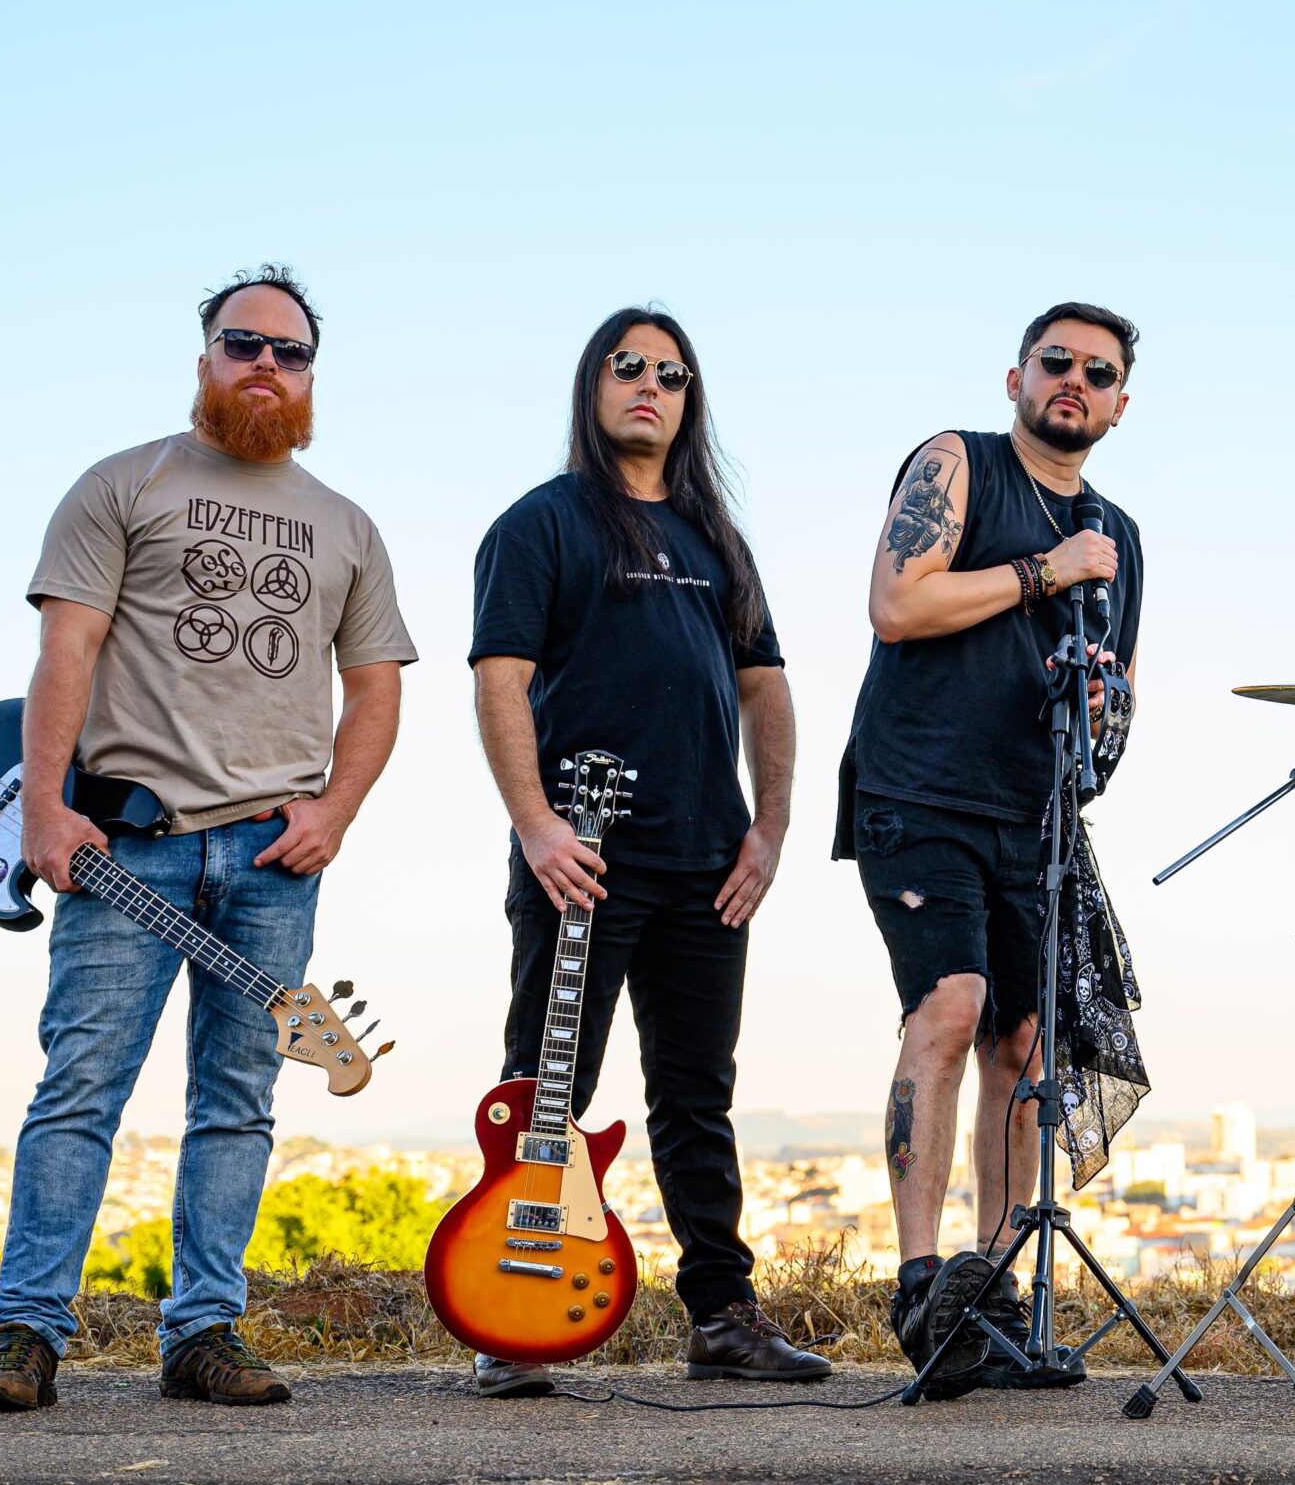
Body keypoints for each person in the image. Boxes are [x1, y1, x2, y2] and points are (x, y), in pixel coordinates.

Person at [0, 267, 415, 1412]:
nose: (267, 364)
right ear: (205, 356)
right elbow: (66, 651)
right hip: (130, 843)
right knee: (80, 1090)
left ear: (311, 375)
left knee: (238, 1102)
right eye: (243, 342)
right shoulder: (124, 483)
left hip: (272, 859)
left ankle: (204, 1332)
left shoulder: (349, 527)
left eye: (290, 351)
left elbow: (375, 687)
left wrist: (335, 810)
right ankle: (24, 1335)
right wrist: (44, 806)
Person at [466, 307, 826, 1395]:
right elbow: (499, 680)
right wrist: (536, 824)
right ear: (594, 384)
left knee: (696, 1096)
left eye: (672, 375)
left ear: (688, 402)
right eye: (629, 367)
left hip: (708, 865)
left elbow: (766, 687)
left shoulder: (719, 539)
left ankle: (721, 1317)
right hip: (582, 857)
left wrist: (771, 826)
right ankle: (508, 1323)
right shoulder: (540, 524)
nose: (650, 387)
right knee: (547, 1089)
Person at [837, 303, 1146, 1397]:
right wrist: (1042, 572)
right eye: (1056, 362)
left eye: (1098, 373)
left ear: (1119, 404)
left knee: (1021, 1040)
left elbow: (1116, 684)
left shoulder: (1118, 533)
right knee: (952, 1005)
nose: (1074, 382)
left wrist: (1106, 707)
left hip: (1037, 813)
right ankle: (921, 1287)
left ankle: (992, 1294)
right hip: (919, 789)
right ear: (1017, 377)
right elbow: (896, 604)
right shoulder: (957, 463)